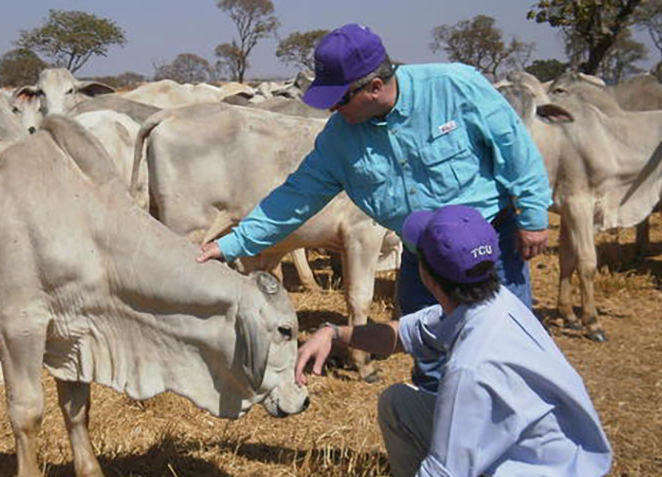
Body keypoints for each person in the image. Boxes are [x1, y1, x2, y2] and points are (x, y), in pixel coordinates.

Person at [196, 23, 552, 391]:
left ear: (375, 87)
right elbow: (296, 196)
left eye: (340, 98)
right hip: (422, 253)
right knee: (431, 359)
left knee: (505, 350)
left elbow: (514, 148)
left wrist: (533, 215)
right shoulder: (340, 137)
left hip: (487, 244)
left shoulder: (454, 86)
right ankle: (436, 429)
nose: (332, 108)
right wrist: (231, 245)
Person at [294, 205, 611, 477]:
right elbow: (400, 334)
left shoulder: (471, 365)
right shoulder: (490, 303)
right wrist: (336, 334)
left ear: (427, 276)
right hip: (533, 466)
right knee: (399, 403)